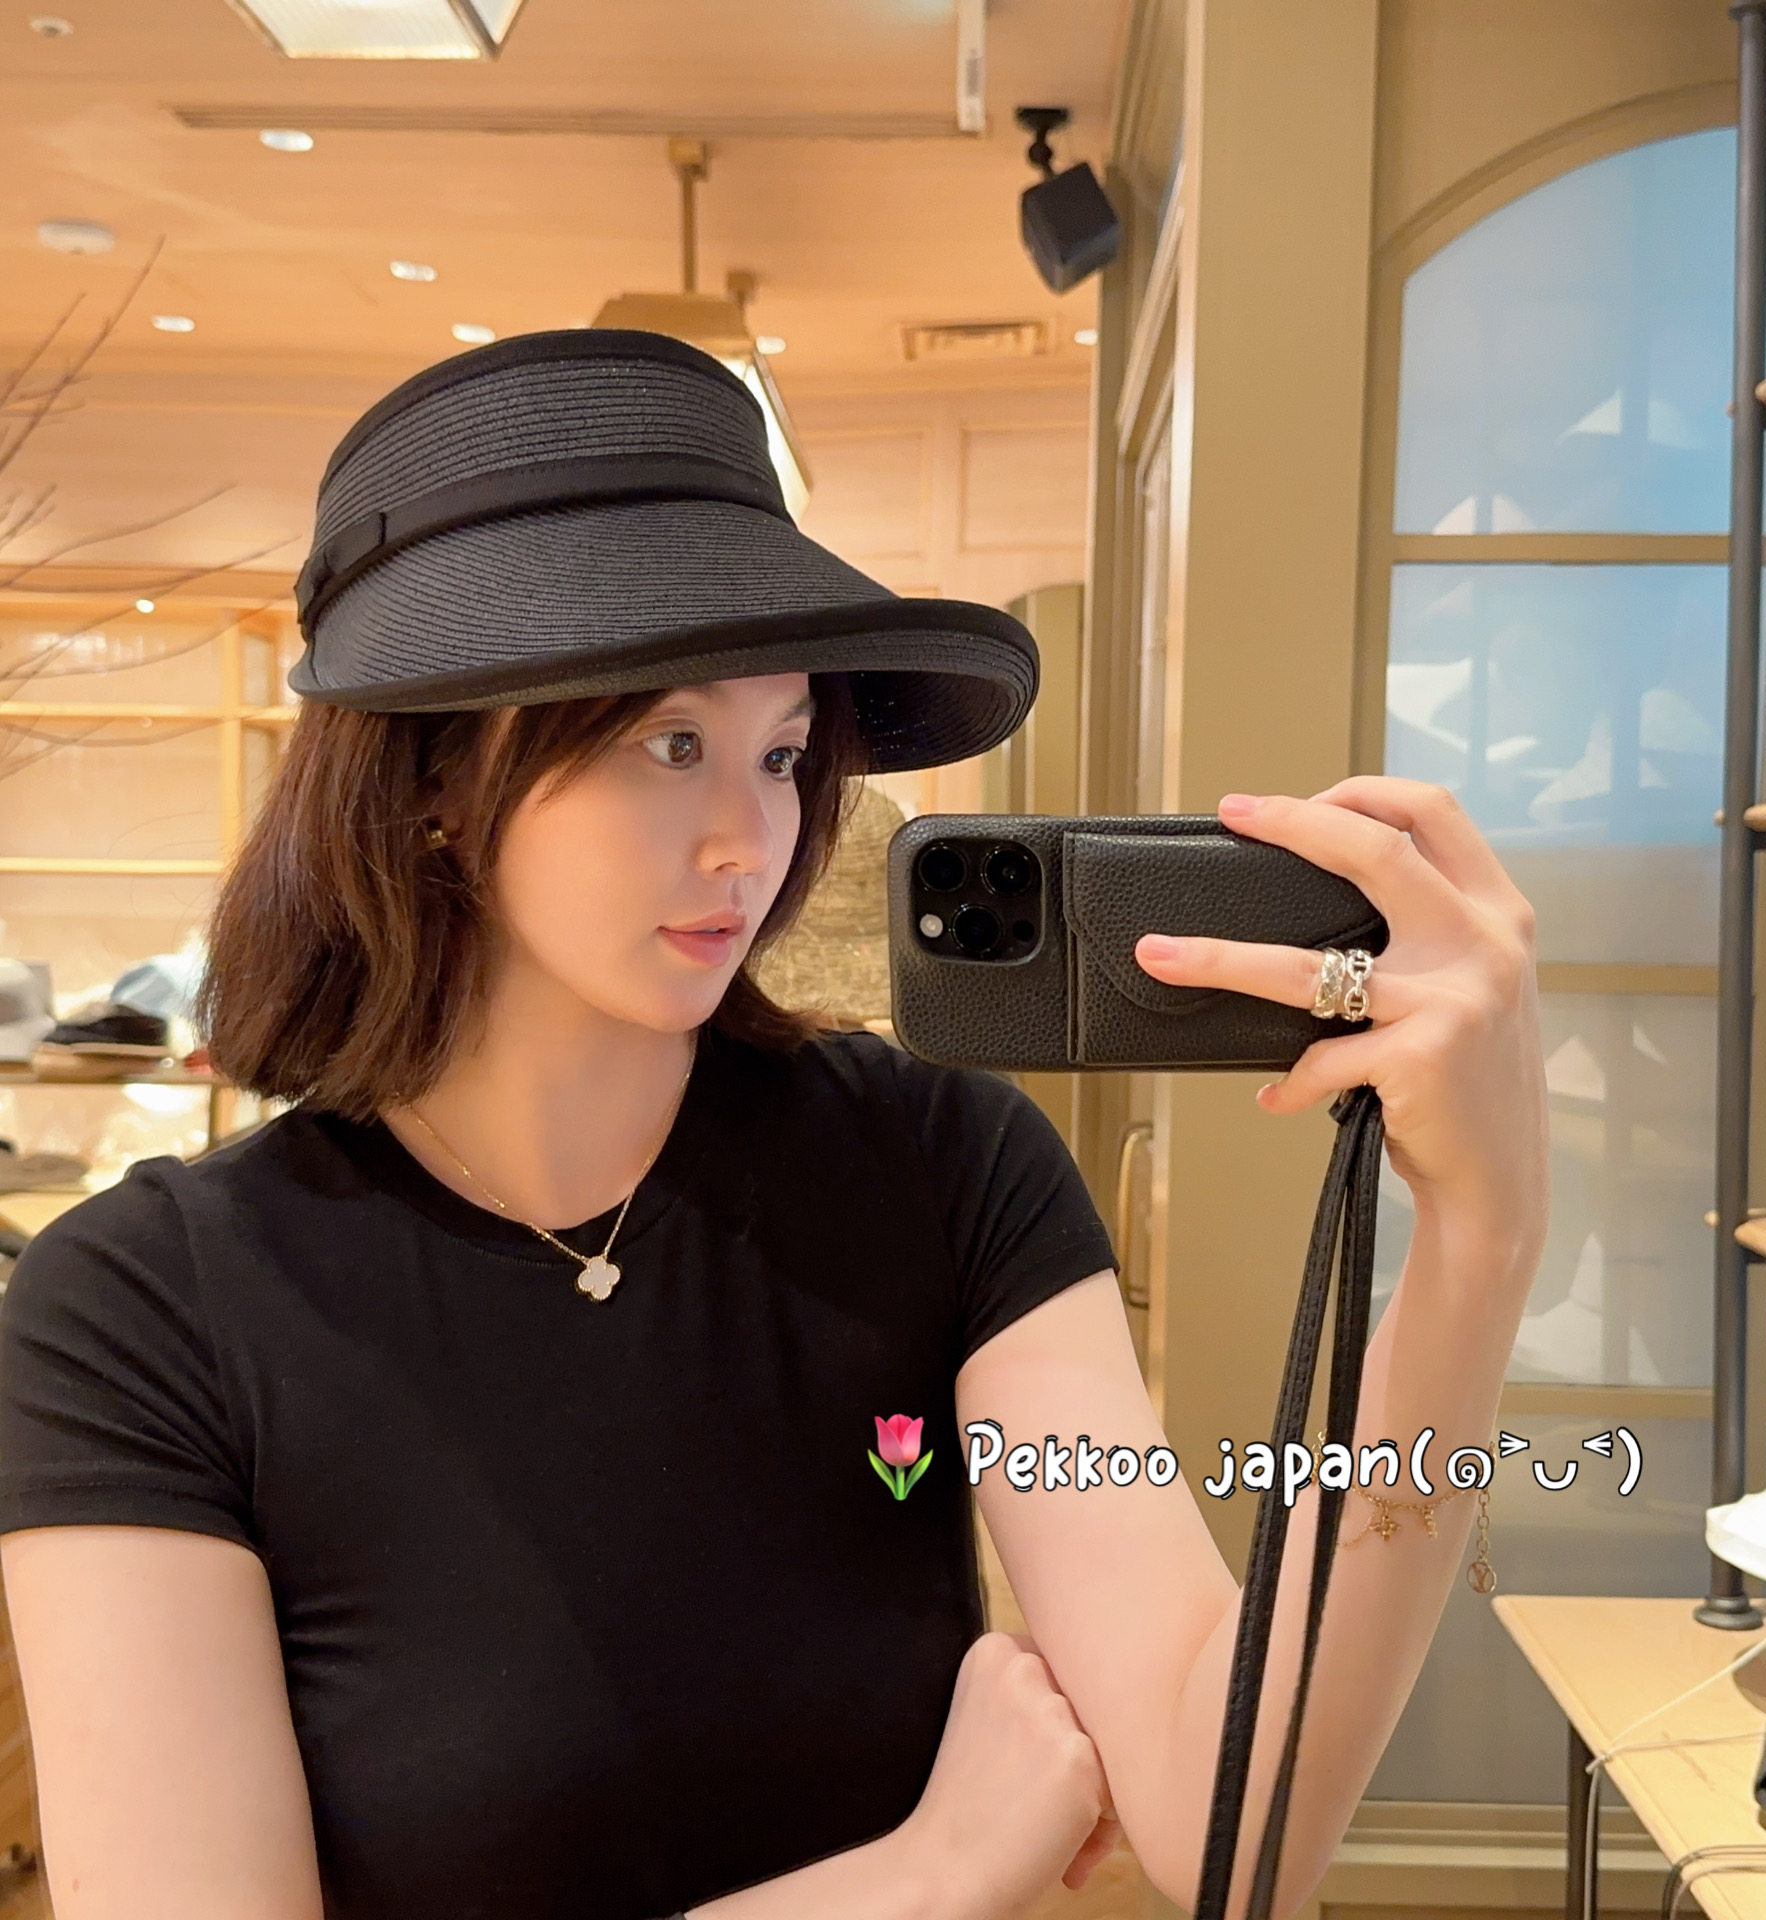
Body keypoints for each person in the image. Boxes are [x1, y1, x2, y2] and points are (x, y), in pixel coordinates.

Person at [0, 330, 1548, 1920]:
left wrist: (1482, 1239)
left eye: (786, 750)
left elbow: (1233, 1823)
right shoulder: (144, 1314)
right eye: (671, 742)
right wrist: (931, 1875)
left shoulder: (944, 1172)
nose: (754, 836)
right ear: (438, 779)